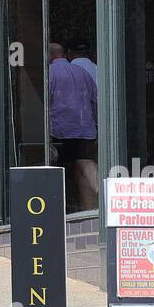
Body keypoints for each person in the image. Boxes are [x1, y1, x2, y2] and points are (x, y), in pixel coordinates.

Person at [48, 42, 98, 212]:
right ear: (64, 54)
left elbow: (44, 103)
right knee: (84, 168)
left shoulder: (50, 73)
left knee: (58, 175)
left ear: (50, 56)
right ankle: (90, 210)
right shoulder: (83, 73)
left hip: (60, 132)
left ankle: (59, 213)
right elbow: (95, 100)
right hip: (85, 129)